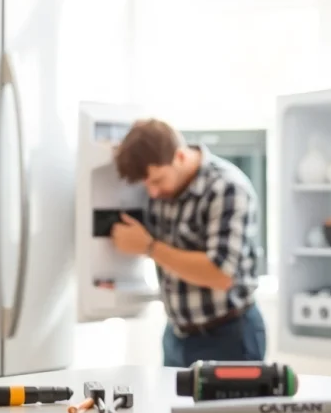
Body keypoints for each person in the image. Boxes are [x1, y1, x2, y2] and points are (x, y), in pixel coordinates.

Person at [109, 118, 265, 367]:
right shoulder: (161, 187)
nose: (152, 193)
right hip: (176, 335)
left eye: (157, 181)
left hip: (229, 337)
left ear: (180, 157)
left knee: (229, 408)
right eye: (146, 184)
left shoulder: (226, 188)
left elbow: (221, 273)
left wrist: (149, 247)